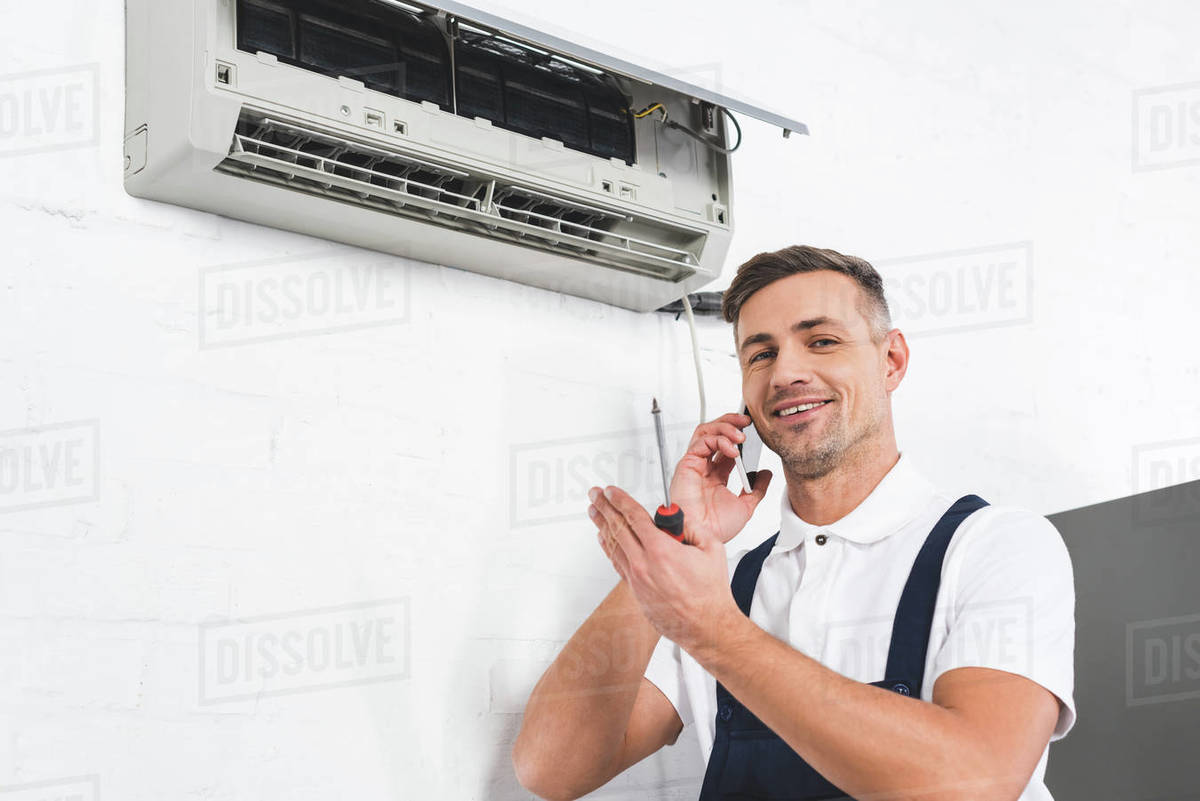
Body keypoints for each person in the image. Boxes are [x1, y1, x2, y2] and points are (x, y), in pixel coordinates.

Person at [511, 245, 1076, 801]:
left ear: (891, 361)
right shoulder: (718, 588)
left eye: (822, 341)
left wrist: (714, 631)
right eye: (760, 354)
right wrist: (670, 546)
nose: (786, 372)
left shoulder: (995, 546)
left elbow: (976, 781)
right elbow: (552, 769)